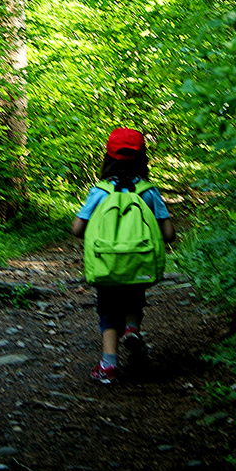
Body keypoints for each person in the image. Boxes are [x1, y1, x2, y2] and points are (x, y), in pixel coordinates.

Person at [72, 127, 176, 384]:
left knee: (107, 309)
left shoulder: (100, 190)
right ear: (143, 158)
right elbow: (169, 233)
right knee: (134, 298)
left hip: (107, 262)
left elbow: (77, 229)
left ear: (107, 156)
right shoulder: (148, 191)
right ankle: (132, 328)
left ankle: (109, 364)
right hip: (138, 261)